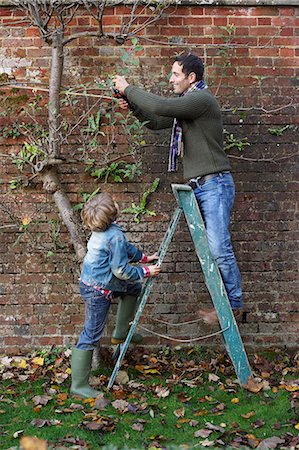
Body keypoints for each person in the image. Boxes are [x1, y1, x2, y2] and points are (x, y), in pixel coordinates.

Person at [113, 52, 243, 325]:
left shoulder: (201, 100)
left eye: (175, 74)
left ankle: (234, 306)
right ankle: (226, 306)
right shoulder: (188, 103)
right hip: (201, 186)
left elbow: (161, 107)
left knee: (219, 248)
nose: (170, 79)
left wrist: (129, 89)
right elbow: (157, 121)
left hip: (214, 183)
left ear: (191, 77)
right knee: (209, 250)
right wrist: (132, 106)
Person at [71, 192, 160, 398]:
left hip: (99, 282)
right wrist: (145, 271)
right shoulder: (114, 236)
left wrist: (145, 257)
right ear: (114, 212)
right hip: (97, 290)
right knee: (91, 334)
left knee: (133, 289)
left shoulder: (108, 230)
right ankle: (78, 386)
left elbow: (125, 249)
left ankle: (120, 332)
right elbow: (120, 270)